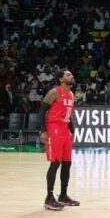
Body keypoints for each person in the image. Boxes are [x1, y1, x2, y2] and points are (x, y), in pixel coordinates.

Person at [38, 69, 80, 210]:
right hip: (54, 129)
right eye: (68, 75)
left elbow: (69, 115)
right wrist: (44, 131)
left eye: (71, 74)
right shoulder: (54, 92)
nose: (72, 76)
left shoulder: (71, 94)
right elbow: (42, 112)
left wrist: (72, 131)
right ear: (61, 79)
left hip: (65, 130)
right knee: (55, 163)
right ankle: (49, 198)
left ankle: (63, 195)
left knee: (67, 163)